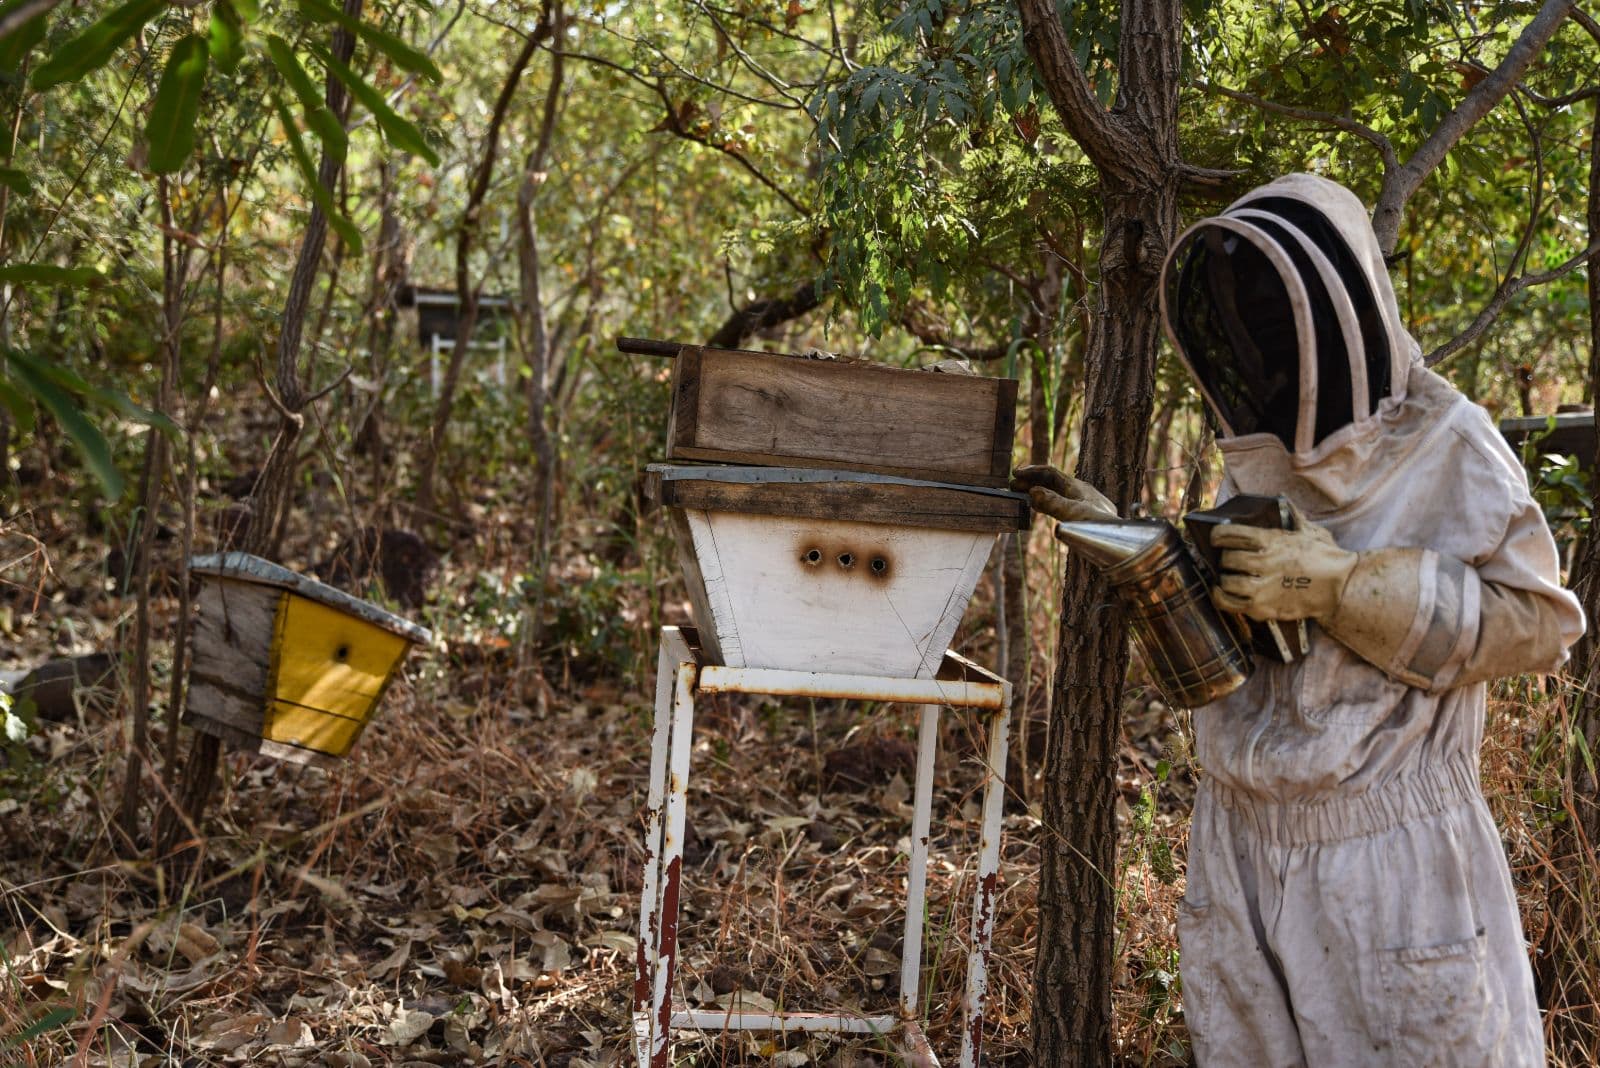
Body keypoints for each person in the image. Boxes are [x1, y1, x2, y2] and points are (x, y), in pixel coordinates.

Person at [1015, 173, 1585, 1066]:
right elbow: (1248, 640)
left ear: (1343, 303)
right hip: (1237, 845)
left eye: (1276, 316)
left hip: (1392, 859)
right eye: (1247, 318)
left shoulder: (1450, 442)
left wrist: (1342, 586)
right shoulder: (1260, 457)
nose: (1265, 347)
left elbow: (1541, 625)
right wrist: (1138, 549)